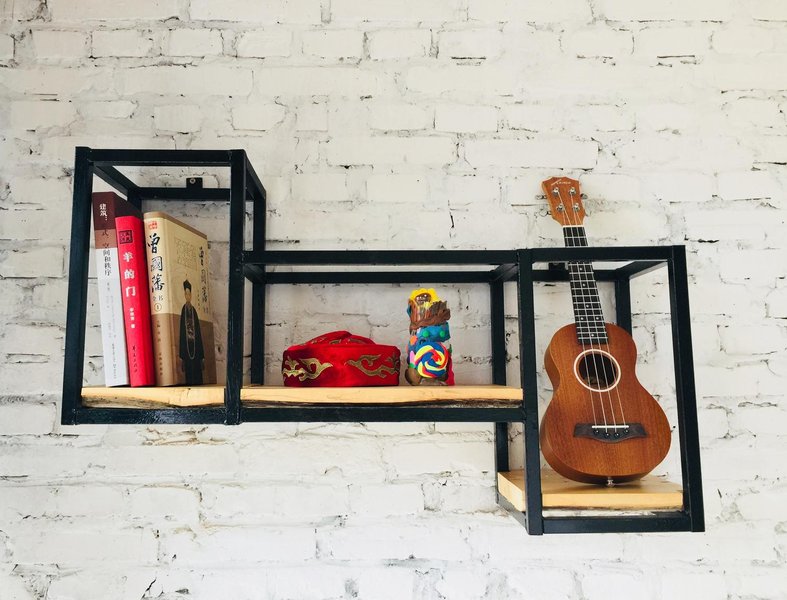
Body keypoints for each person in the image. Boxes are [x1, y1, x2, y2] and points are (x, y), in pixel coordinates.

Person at [178, 279, 204, 385]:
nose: (188, 296)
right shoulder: (183, 310)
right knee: (189, 373)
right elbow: (182, 333)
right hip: (187, 347)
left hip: (195, 346)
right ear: (184, 295)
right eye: (186, 294)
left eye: (189, 294)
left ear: (191, 295)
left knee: (197, 372)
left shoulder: (194, 311)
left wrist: (202, 355)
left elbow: (198, 332)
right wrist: (182, 356)